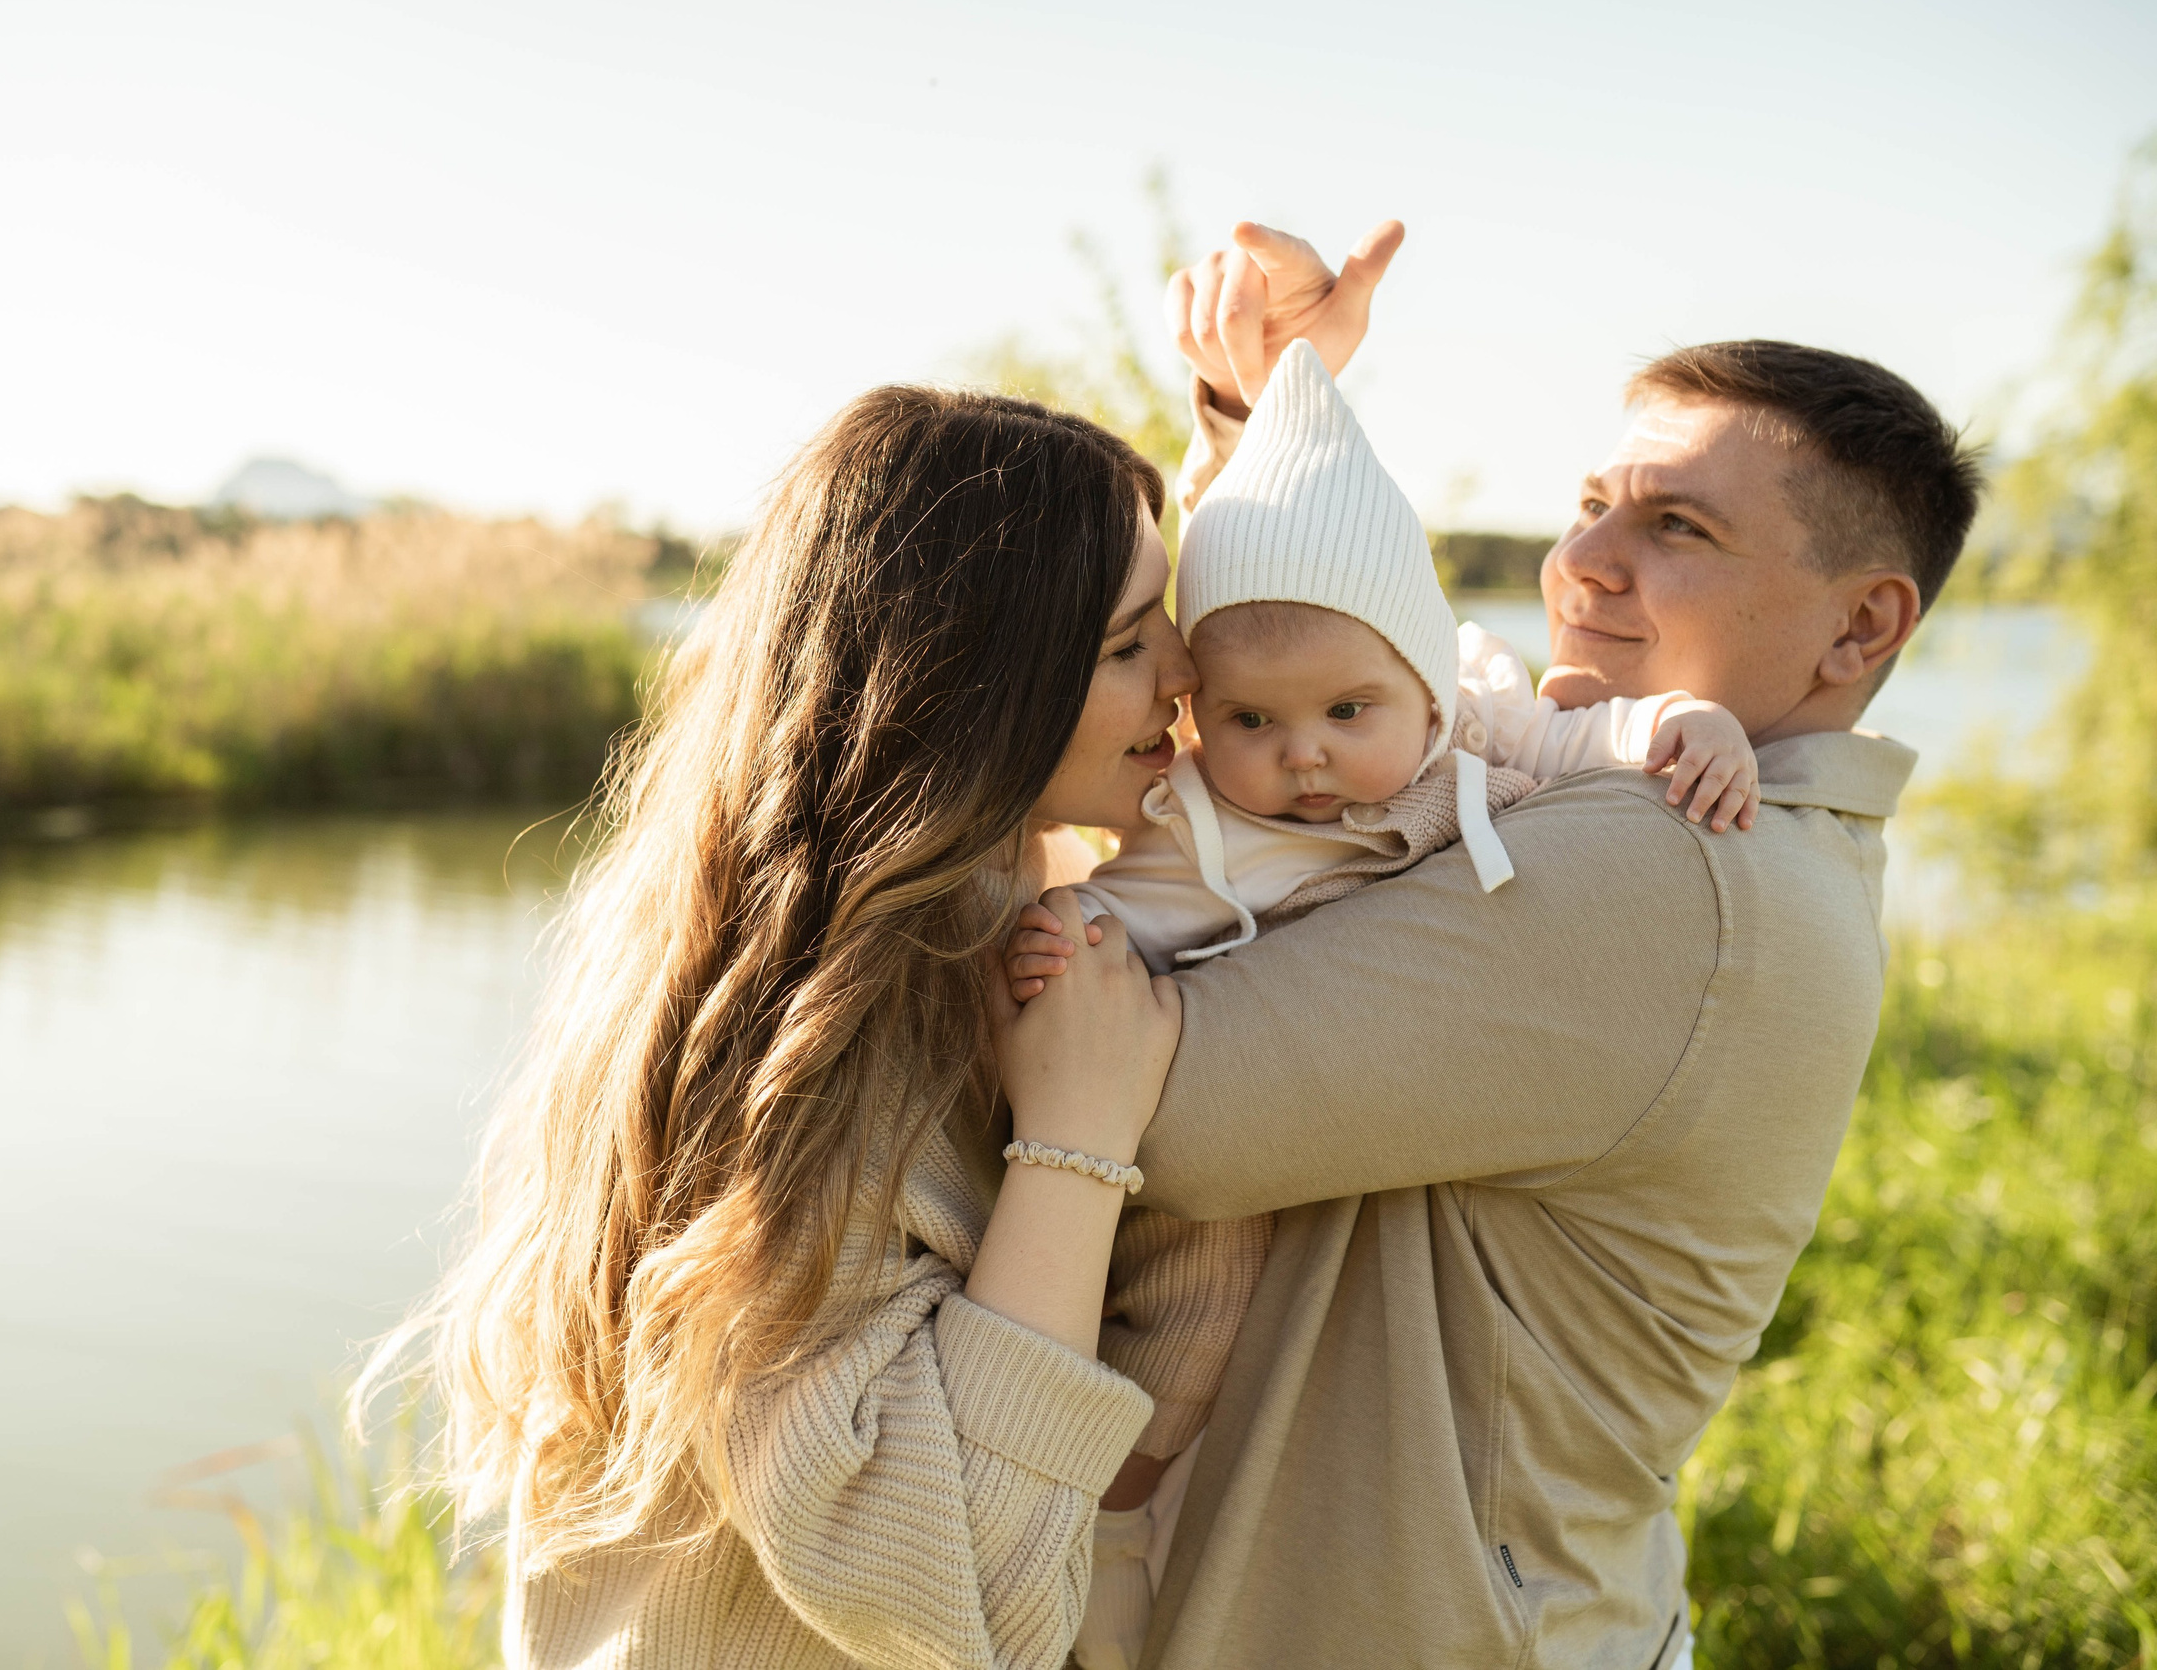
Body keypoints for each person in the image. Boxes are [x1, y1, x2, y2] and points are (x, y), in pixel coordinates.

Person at [1002, 219, 1983, 1669]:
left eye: (1677, 529)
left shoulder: (1672, 866)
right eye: (1590, 504)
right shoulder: (1645, 801)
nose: (1580, 562)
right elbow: (1275, 717)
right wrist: (1272, 429)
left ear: (1860, 629)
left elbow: (1140, 1100)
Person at [362, 381, 1215, 1669]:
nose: (1188, 671)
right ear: (973, 690)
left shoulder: (787, 930)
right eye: (1126, 645)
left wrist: (1250, 423)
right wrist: (1077, 1140)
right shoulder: (829, 1043)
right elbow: (950, 1589)